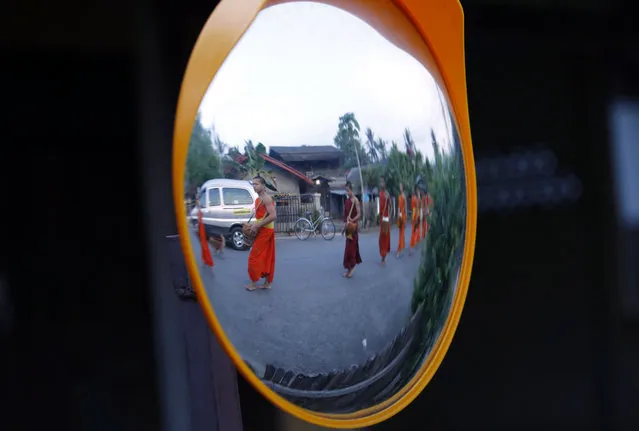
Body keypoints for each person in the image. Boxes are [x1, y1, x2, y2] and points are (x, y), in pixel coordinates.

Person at [246, 176, 277, 291]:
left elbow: (273, 216)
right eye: (253, 184)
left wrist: (257, 225)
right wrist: (255, 225)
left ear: (263, 186)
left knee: (253, 257)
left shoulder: (266, 199)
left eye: (256, 184)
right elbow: (261, 216)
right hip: (263, 230)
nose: (254, 186)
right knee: (267, 256)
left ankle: (253, 284)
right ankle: (267, 283)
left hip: (266, 231)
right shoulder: (258, 200)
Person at [342, 182, 362, 278]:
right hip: (348, 227)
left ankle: (352, 268)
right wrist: (344, 225)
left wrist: (352, 220)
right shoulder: (347, 201)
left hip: (353, 226)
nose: (347, 192)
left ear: (351, 190)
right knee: (348, 248)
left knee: (352, 247)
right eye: (346, 190)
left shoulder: (355, 200)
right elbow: (345, 215)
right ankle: (349, 268)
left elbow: (359, 214)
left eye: (348, 190)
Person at [197, 200, 214, 268]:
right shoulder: (200, 211)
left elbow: (201, 220)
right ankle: (206, 259)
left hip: (203, 228)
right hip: (201, 228)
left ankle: (208, 260)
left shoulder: (202, 211)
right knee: (203, 245)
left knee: (204, 245)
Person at [378, 176, 391, 266]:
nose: (381, 183)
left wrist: (389, 215)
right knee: (380, 238)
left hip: (385, 218)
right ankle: (382, 254)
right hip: (381, 217)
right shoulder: (380, 193)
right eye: (380, 182)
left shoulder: (387, 194)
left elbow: (390, 206)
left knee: (384, 237)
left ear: (385, 184)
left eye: (383, 182)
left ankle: (383, 257)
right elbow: (379, 206)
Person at [396, 183, 407, 258]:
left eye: (401, 186)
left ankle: (399, 250)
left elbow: (405, 207)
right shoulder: (399, 196)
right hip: (399, 215)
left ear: (403, 188)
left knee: (401, 233)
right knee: (400, 233)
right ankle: (401, 246)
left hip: (403, 215)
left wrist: (405, 217)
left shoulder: (404, 196)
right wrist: (397, 214)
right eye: (399, 186)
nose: (400, 188)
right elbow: (398, 207)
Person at [409, 186, 421, 256]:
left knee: (415, 231)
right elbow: (415, 207)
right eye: (417, 191)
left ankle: (413, 245)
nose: (418, 192)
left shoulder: (416, 198)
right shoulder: (414, 198)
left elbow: (419, 206)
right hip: (415, 216)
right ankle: (411, 248)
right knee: (414, 232)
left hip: (417, 215)